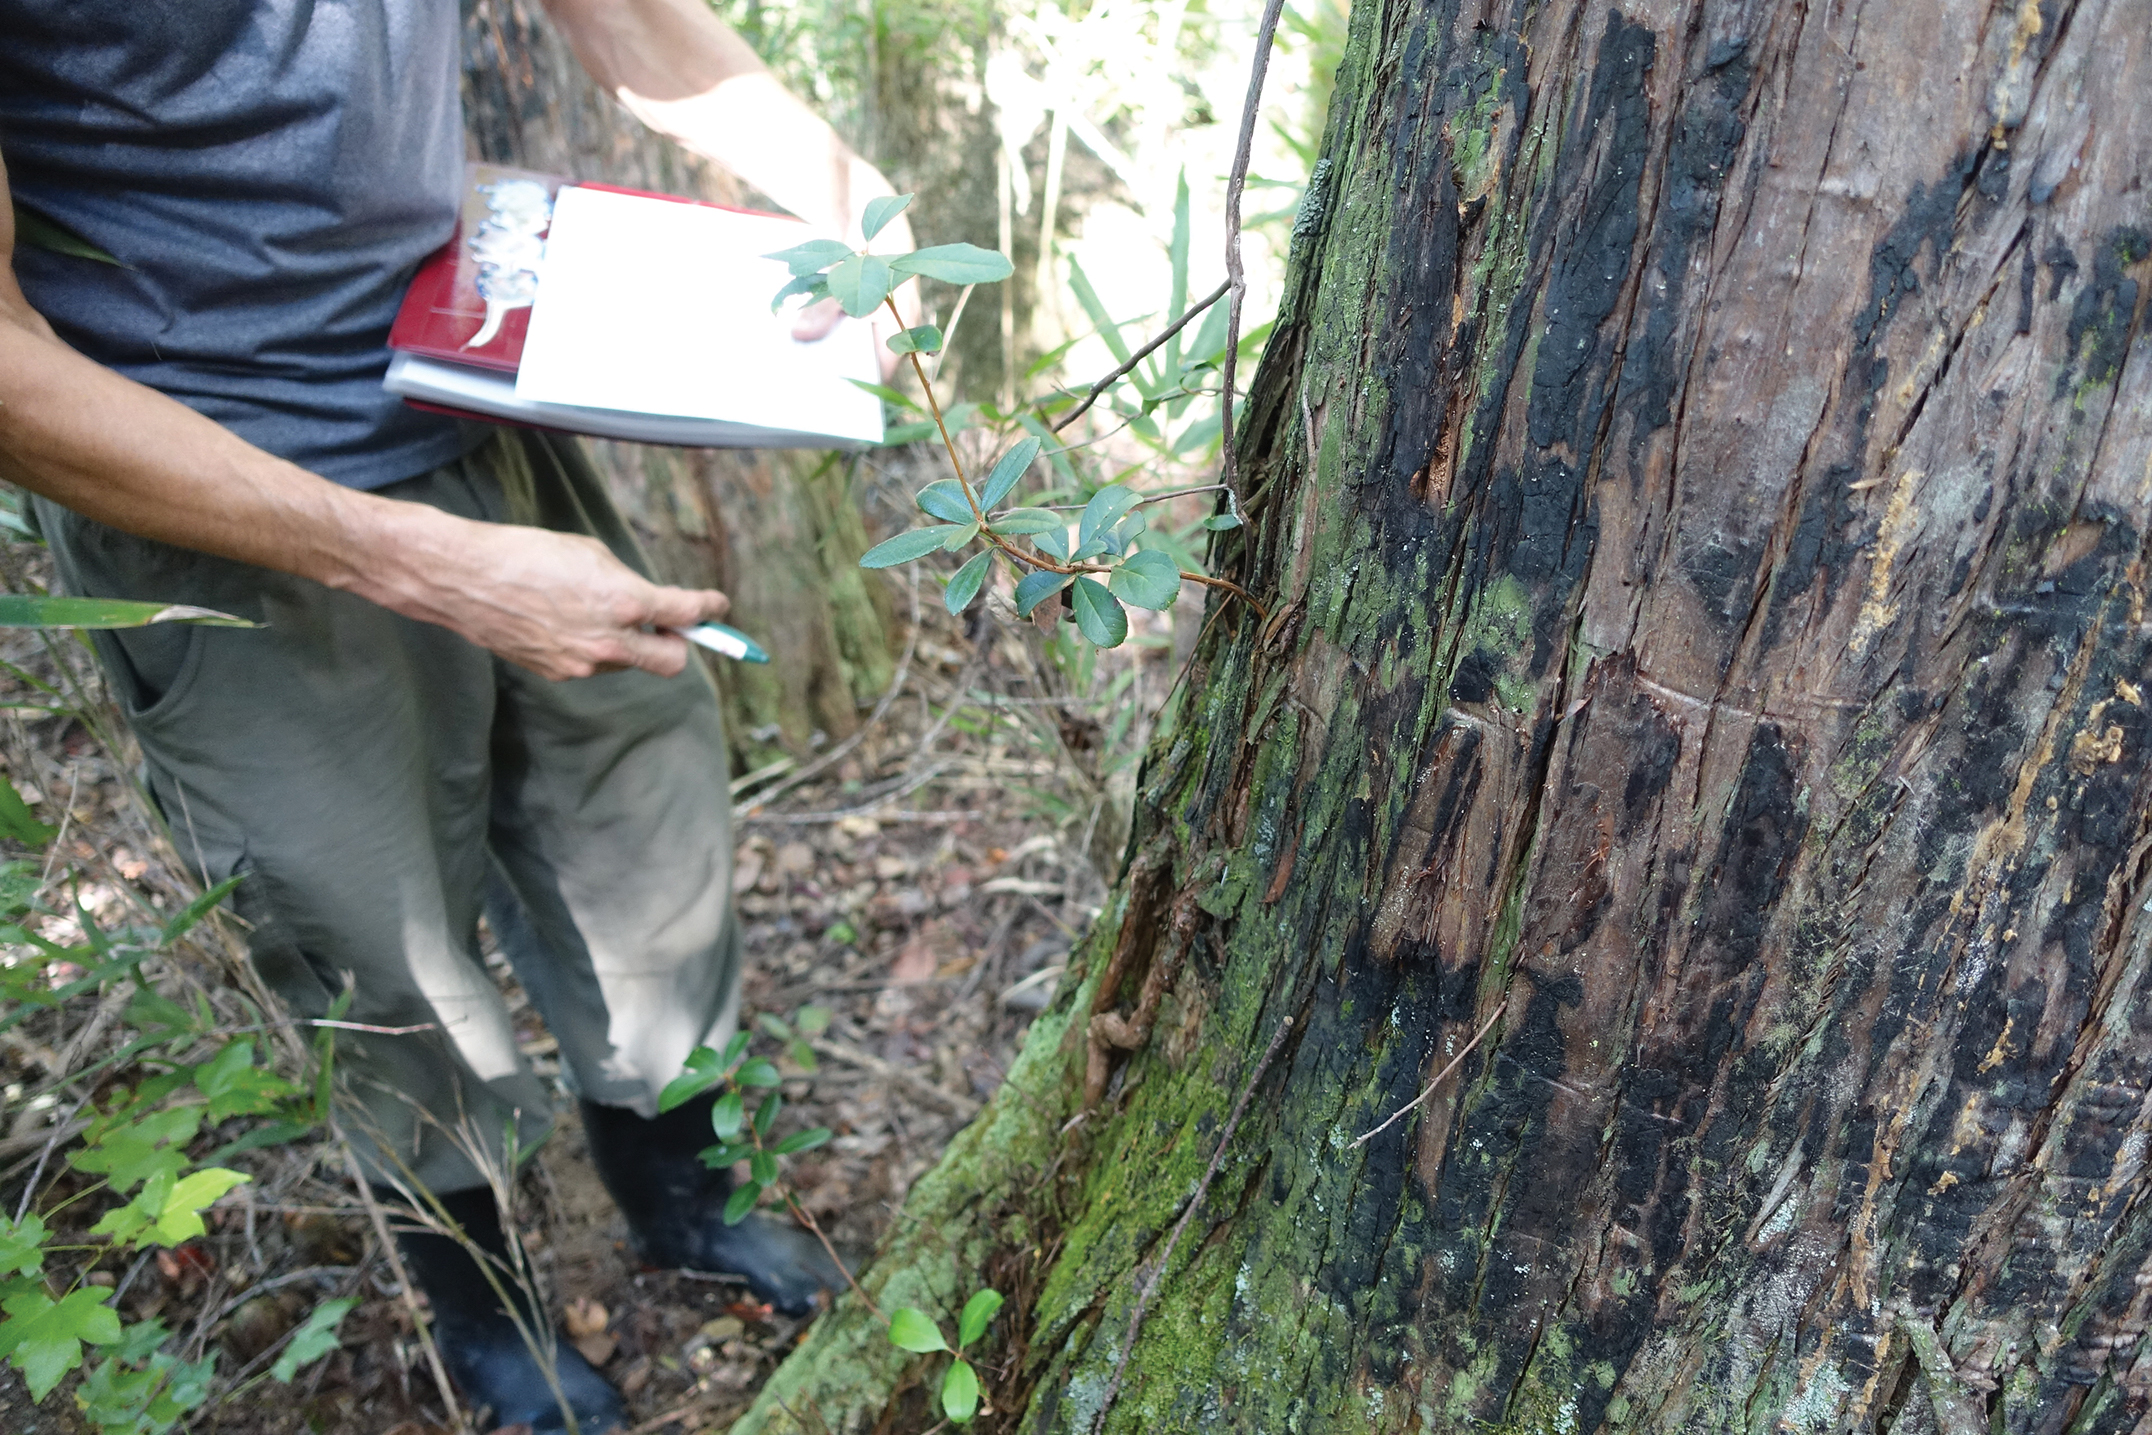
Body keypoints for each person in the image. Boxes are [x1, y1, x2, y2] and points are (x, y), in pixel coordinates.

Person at [0, 3, 914, 1430]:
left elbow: (629, 23)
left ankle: (682, 1202)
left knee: (642, 822)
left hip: (481, 382)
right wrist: (418, 564)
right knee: (376, 944)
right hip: (223, 508)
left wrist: (861, 211)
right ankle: (486, 1309)